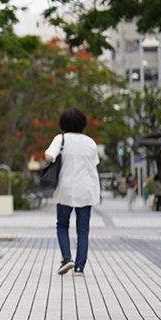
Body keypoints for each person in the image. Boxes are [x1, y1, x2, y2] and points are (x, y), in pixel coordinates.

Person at [45, 107, 100, 276]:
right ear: (83, 123)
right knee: (83, 229)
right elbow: (95, 163)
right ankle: (80, 267)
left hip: (65, 189)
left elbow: (49, 156)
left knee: (62, 225)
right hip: (87, 189)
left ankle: (67, 258)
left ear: (63, 123)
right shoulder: (90, 142)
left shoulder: (60, 139)